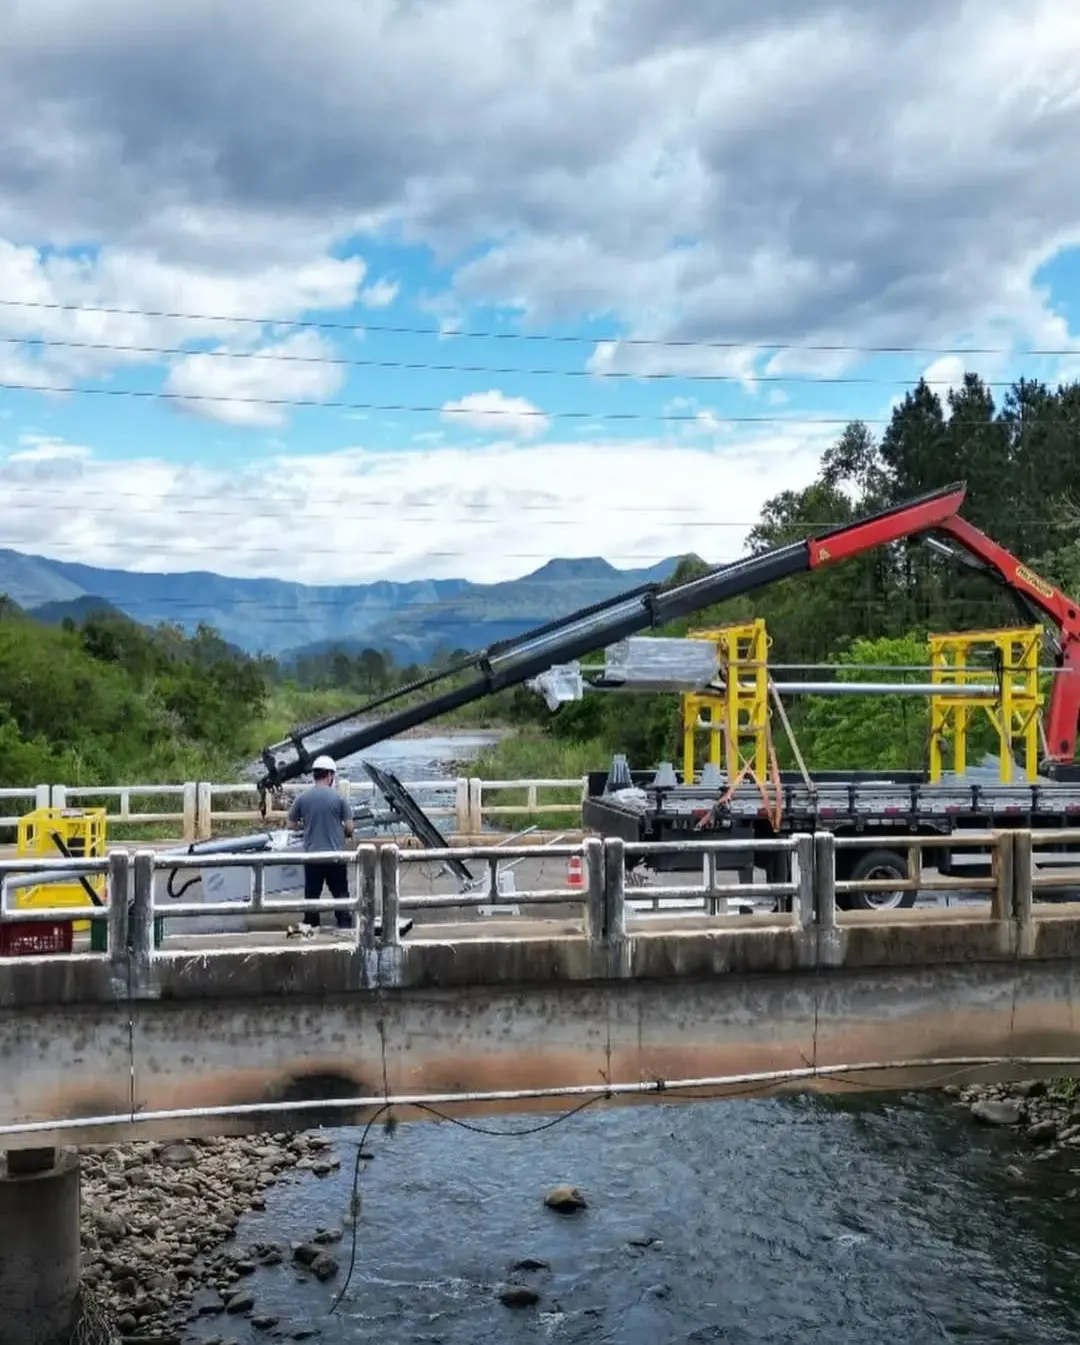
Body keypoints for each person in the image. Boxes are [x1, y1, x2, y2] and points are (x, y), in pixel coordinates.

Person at [286, 755, 355, 931]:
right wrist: (342, 831)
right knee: (340, 893)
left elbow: (291, 825)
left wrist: (307, 825)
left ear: (314, 775)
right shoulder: (338, 799)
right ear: (330, 776)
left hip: (312, 856)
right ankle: (344, 924)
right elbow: (350, 828)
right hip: (334, 856)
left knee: (312, 895)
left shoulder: (303, 798)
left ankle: (311, 925)